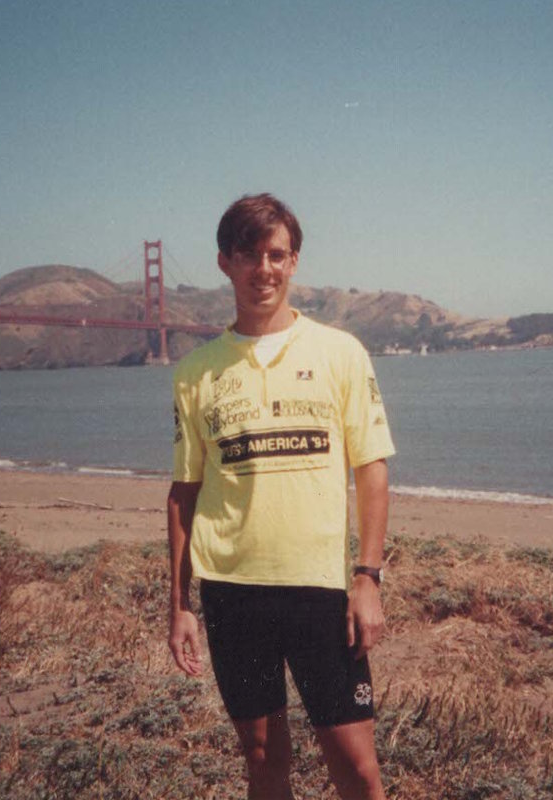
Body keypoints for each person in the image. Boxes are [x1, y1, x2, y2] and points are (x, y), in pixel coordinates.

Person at [168, 193, 395, 800]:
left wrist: (368, 577)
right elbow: (183, 491)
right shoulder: (196, 371)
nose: (262, 269)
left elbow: (371, 469)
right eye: (249, 254)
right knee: (264, 758)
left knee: (356, 766)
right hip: (233, 592)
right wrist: (179, 604)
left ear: (294, 261)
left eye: (276, 254)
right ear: (224, 262)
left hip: (319, 589)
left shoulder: (340, 352)